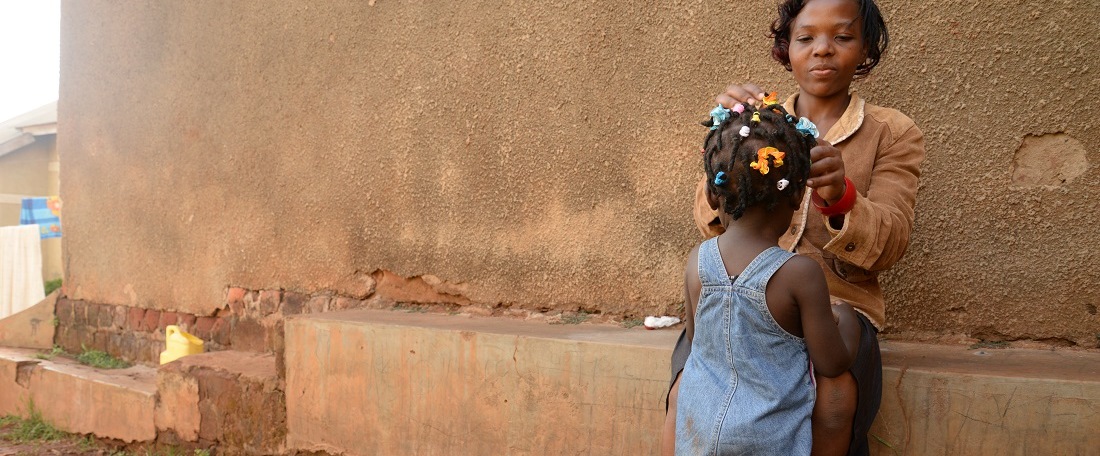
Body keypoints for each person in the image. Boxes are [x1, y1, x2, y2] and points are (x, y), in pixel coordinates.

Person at [663, 0, 926, 454]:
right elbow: (711, 225)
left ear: (866, 49)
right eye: (806, 38)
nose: (822, 50)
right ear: (786, 48)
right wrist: (728, 144)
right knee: (684, 381)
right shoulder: (758, 124)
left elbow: (892, 240)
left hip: (838, 306)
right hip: (745, 296)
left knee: (835, 394)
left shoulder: (892, 132)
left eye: (842, 37)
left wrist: (841, 195)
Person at [676, 100, 860, 455]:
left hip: (698, 431)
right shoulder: (799, 274)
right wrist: (847, 322)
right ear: (796, 195)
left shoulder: (697, 261)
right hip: (766, 439)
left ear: (713, 196)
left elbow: (698, 340)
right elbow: (832, 362)